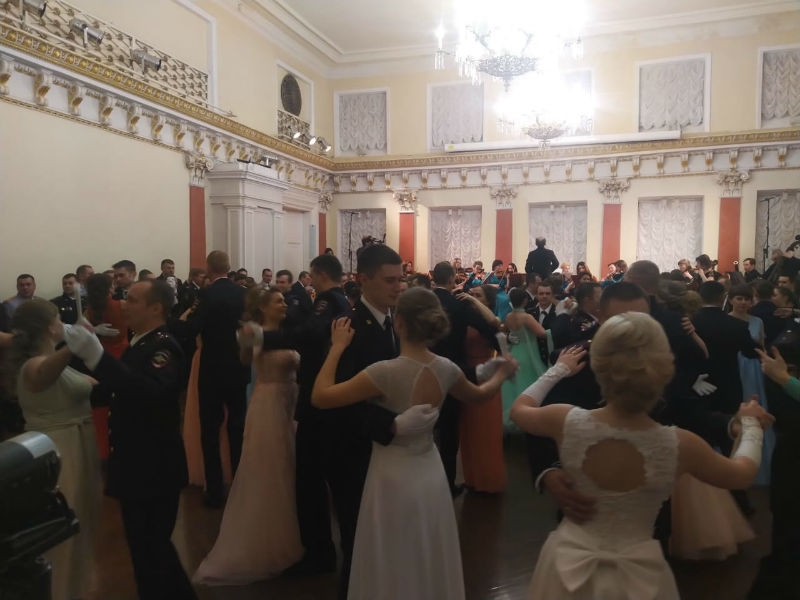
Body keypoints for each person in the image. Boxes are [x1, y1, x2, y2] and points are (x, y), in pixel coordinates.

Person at [510, 311, 766, 600]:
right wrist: (750, 424)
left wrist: (558, 370)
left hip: (567, 560)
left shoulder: (566, 420)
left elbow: (519, 409)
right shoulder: (680, 444)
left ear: (599, 367)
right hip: (640, 571)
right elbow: (742, 473)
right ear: (665, 371)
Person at [311, 287, 516, 600]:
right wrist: (501, 373)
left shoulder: (383, 373)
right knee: (426, 545)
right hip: (429, 471)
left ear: (399, 323)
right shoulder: (446, 368)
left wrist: (336, 348)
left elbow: (320, 397)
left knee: (391, 548)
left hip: (390, 474)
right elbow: (480, 396)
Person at [64, 280, 196, 600]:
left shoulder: (163, 347)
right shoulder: (141, 342)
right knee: (148, 550)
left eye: (133, 299)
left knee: (151, 551)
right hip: (138, 463)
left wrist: (97, 356)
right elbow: (119, 389)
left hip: (153, 466)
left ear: (156, 308)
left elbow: (148, 391)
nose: (124, 304)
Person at [194, 287, 302, 584]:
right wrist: (245, 341)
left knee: (291, 465)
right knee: (273, 467)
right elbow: (244, 360)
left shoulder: (289, 331)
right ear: (263, 307)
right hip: (270, 403)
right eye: (278, 301)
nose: (284, 304)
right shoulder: (254, 331)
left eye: (283, 300)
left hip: (291, 402)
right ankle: (272, 536)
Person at [11, 299, 101, 600]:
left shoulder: (51, 360)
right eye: (58, 320)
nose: (63, 325)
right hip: (60, 451)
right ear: (50, 327)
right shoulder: (34, 364)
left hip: (76, 443)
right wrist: (74, 346)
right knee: (63, 534)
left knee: (81, 523)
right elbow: (42, 374)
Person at [190, 250, 249, 508]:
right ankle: (239, 486)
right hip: (238, 367)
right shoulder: (243, 293)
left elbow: (193, 327)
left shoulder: (206, 294)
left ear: (209, 268)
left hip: (212, 369)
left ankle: (214, 490)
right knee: (237, 427)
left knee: (210, 431)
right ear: (228, 267)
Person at [501, 287, 547, 427]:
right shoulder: (526, 317)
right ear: (525, 300)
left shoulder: (508, 317)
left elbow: (504, 331)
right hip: (528, 352)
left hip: (514, 351)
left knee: (515, 386)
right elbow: (541, 333)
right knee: (529, 384)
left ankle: (514, 416)